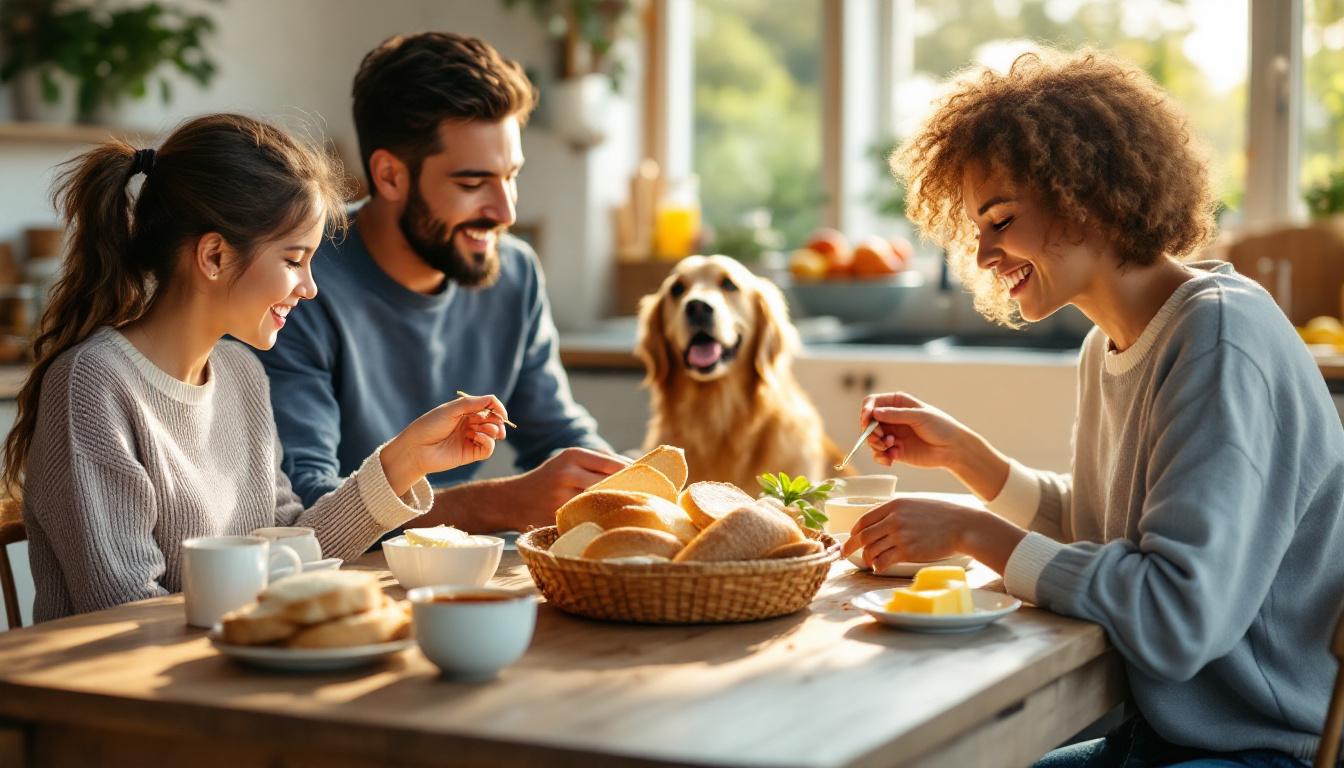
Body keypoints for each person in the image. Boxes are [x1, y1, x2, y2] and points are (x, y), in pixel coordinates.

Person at [843, 49, 1344, 766]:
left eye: (1000, 220)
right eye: (975, 229)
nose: (982, 254)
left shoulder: (1219, 336)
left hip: (1260, 750)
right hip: (1166, 738)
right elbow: (1109, 534)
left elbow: (1175, 616)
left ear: (1085, 192)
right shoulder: (1110, 342)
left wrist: (971, 533)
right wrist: (969, 462)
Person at [4, 114, 508, 621]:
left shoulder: (241, 373)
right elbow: (122, 609)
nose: (309, 287)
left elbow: (290, 544)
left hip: (220, 670)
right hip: (113, 690)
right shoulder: (93, 384)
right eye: (294, 260)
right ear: (215, 255)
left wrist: (407, 460)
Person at [255, 32, 624, 534]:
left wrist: (608, 479)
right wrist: (498, 505)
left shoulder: (514, 274)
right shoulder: (298, 280)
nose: (505, 212)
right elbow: (307, 502)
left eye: (511, 176)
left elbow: (558, 433)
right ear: (389, 176)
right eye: (472, 184)